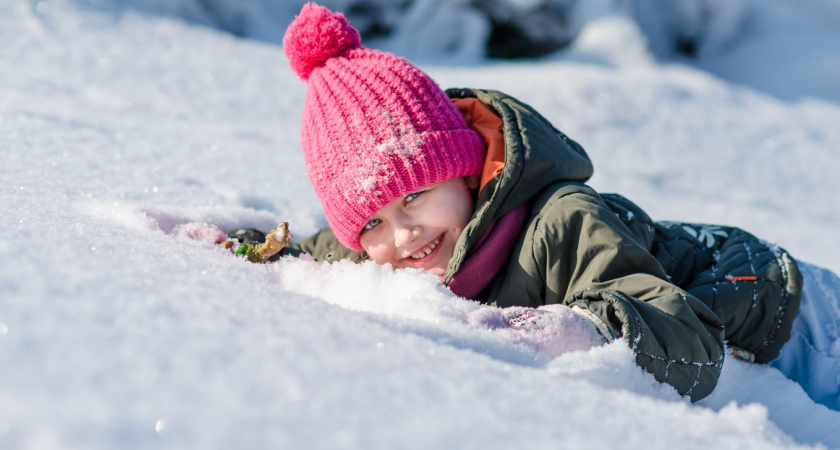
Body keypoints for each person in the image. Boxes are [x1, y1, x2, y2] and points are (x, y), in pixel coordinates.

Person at [230, 2, 840, 409]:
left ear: (467, 173)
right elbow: (321, 248)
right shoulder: (384, 245)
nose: (403, 232)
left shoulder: (562, 221)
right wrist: (250, 247)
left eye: (415, 194)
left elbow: (686, 339)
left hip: (787, 314)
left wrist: (577, 330)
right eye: (373, 221)